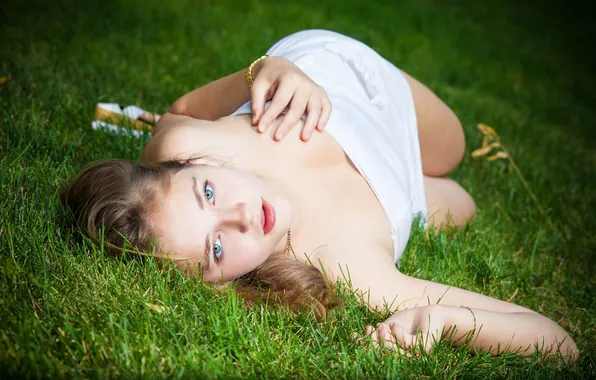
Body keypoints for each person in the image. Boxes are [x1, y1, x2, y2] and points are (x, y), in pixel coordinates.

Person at [61, 30, 578, 360]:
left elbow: (185, 107)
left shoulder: (183, 141)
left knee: (456, 145)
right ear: (221, 283)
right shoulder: (351, 271)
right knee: (462, 203)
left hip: (350, 81)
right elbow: (558, 342)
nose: (242, 216)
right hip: (396, 193)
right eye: (216, 248)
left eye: (209, 191)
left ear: (193, 166)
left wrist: (267, 70)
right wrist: (440, 320)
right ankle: (410, 191)